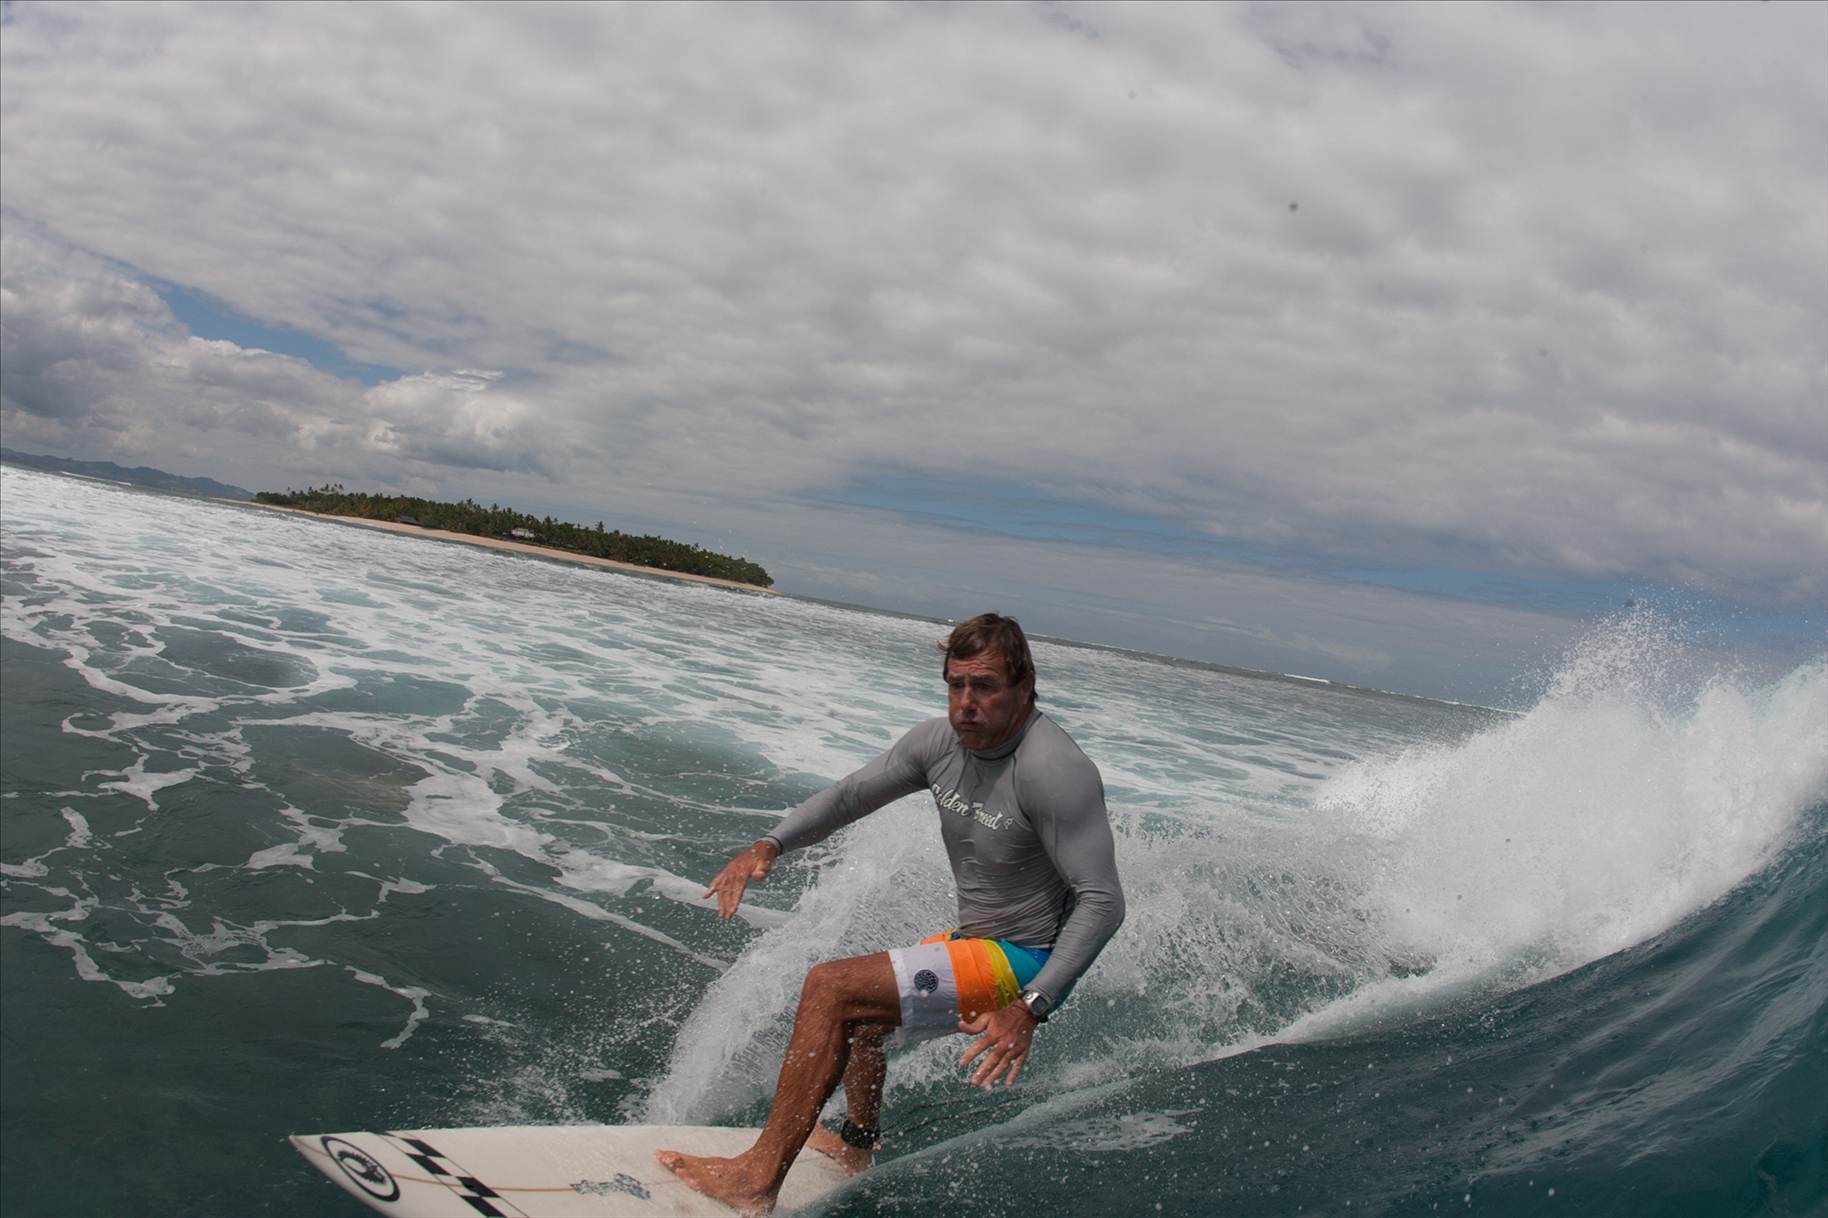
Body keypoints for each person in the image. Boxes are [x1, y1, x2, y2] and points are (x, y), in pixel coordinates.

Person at [657, 613, 1125, 1215]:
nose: (966, 703)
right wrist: (770, 844)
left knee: (831, 988)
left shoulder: (1054, 770)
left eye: (984, 686)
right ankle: (857, 1146)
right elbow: (850, 796)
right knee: (864, 1023)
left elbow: (1103, 901)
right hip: (978, 941)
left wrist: (1030, 1007)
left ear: (1024, 684)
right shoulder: (938, 743)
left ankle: (755, 1179)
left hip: (1025, 959)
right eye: (955, 685)